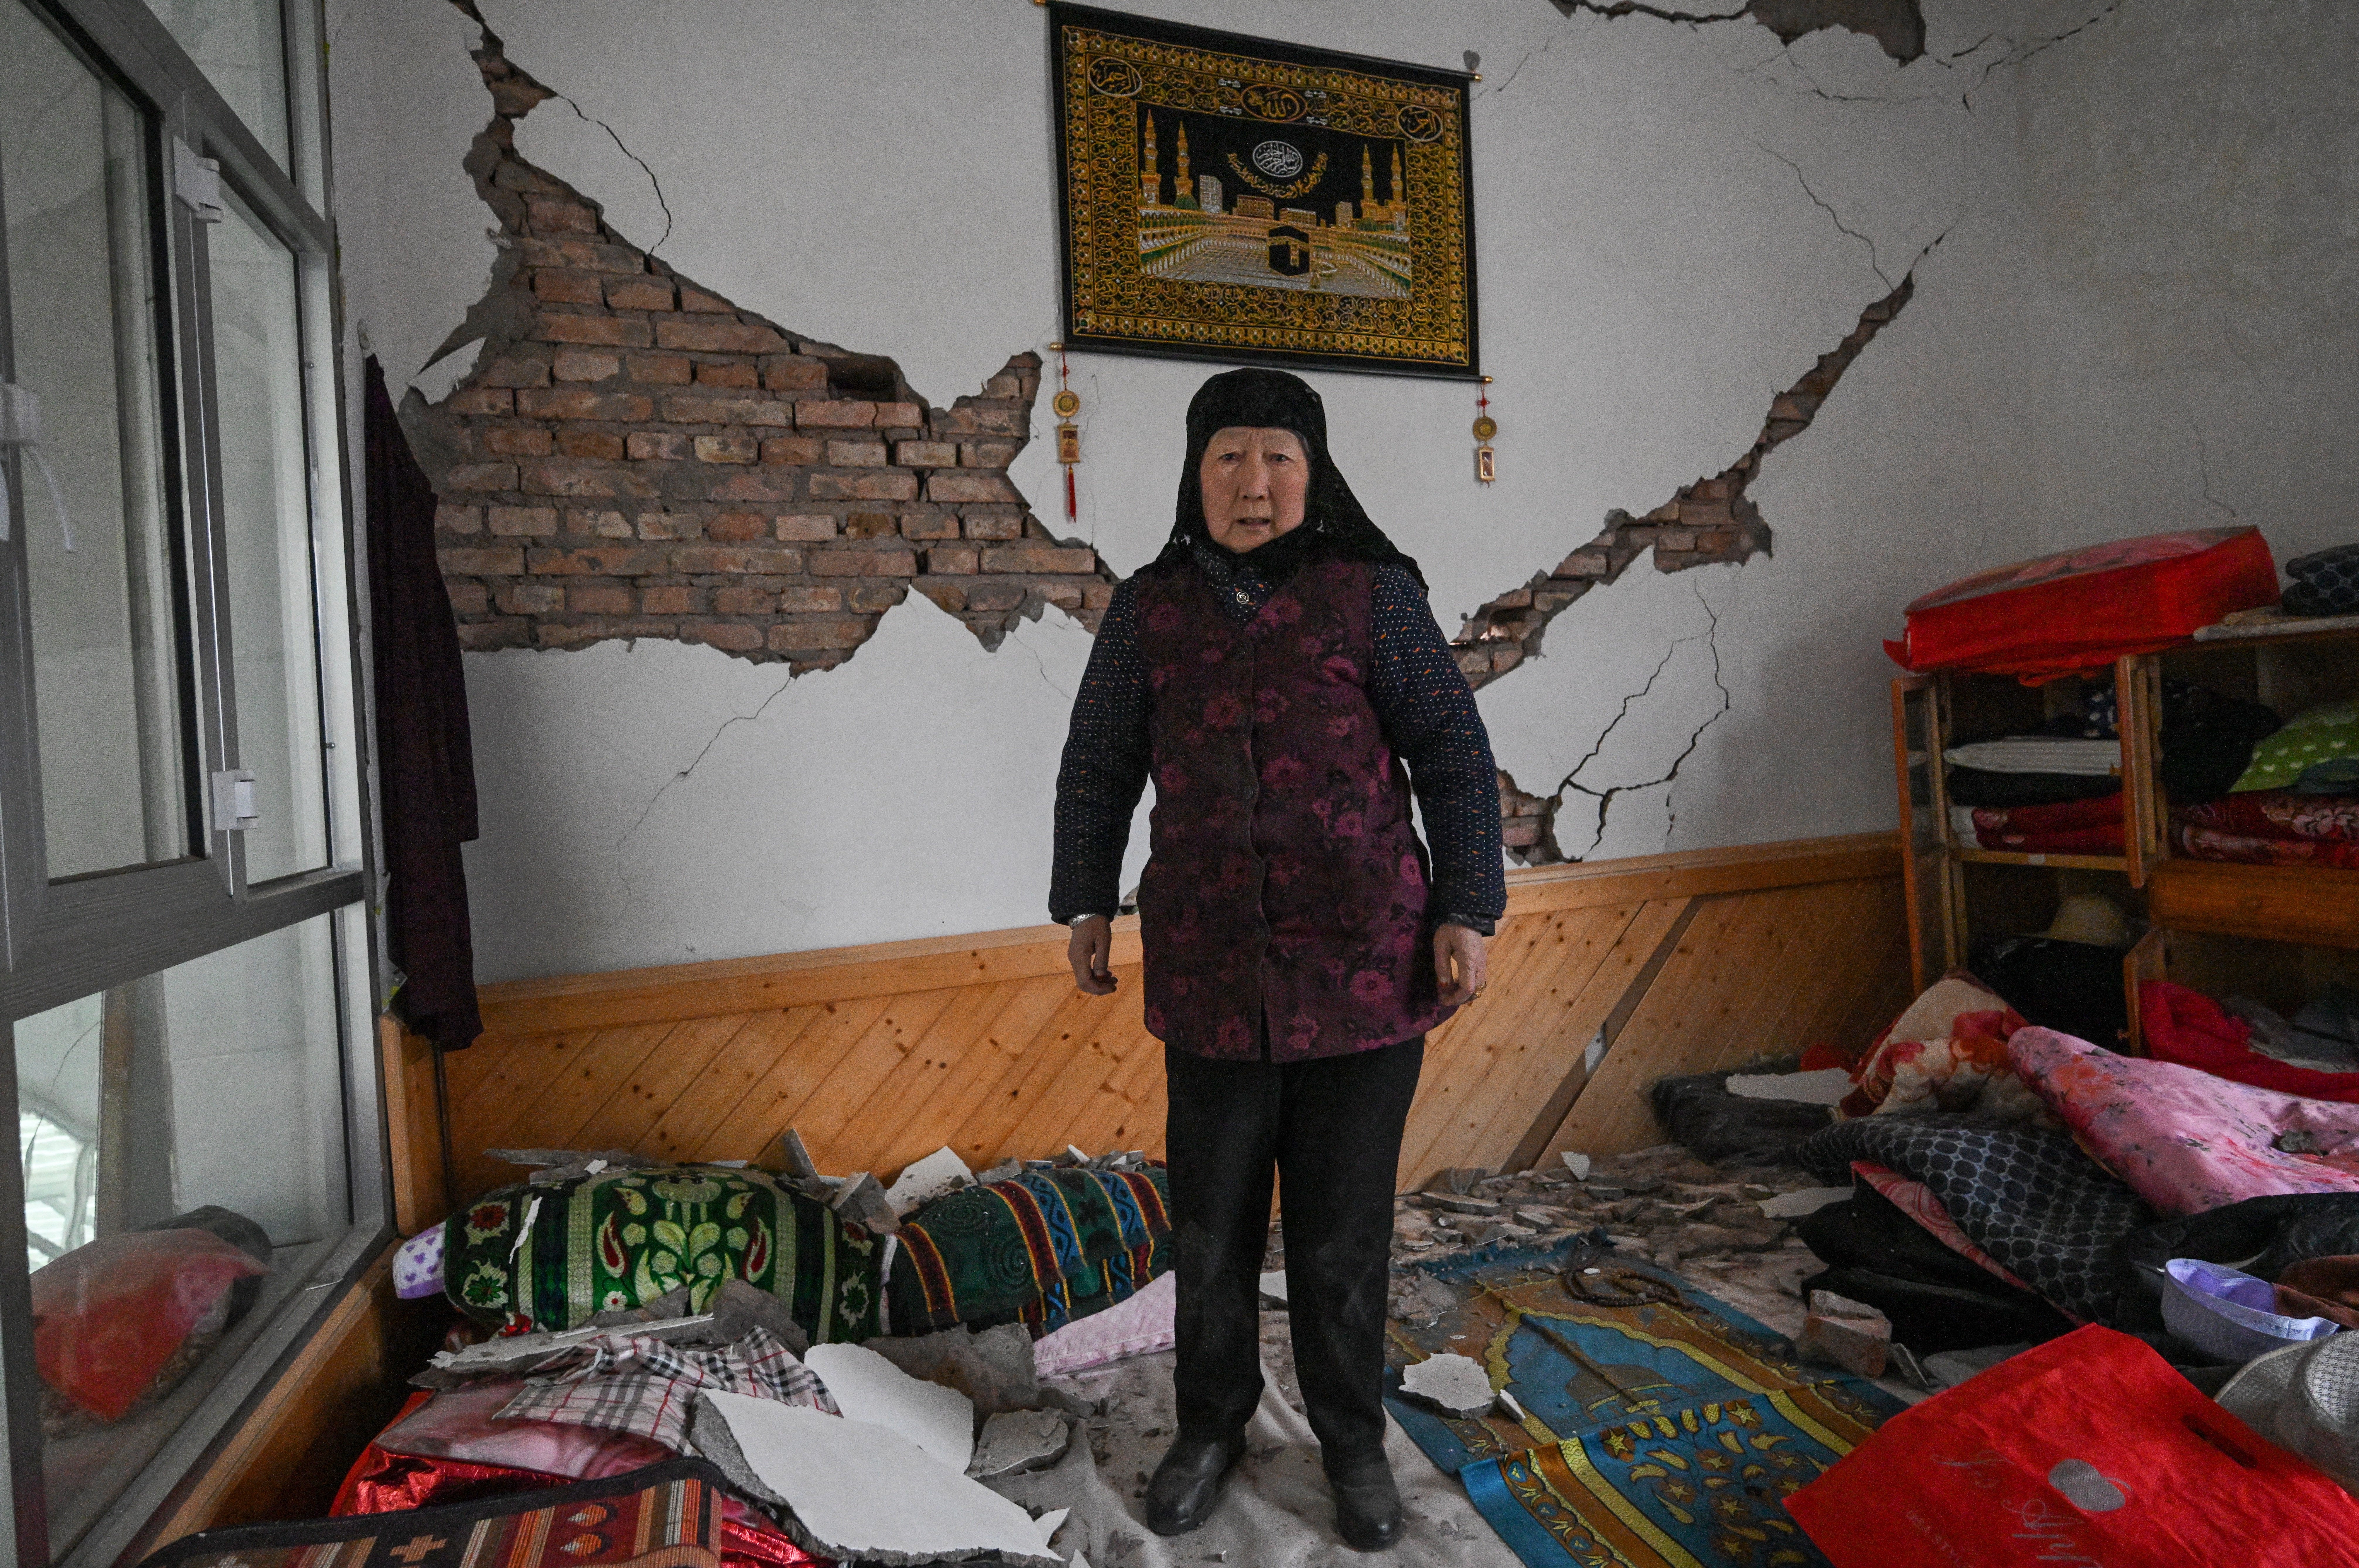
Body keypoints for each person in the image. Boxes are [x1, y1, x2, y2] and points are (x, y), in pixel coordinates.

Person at [1049, 366, 1507, 1550]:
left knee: (1343, 1235)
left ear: (1316, 473)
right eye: (1228, 460)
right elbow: (1098, 761)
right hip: (1210, 973)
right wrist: (1082, 900)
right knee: (1207, 1228)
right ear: (1194, 475)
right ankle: (1210, 1430)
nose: (1254, 484)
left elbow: (1453, 751)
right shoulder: (1148, 610)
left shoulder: (1375, 596)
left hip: (1366, 967)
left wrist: (1469, 907)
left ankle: (1352, 1443)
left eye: (1278, 459)